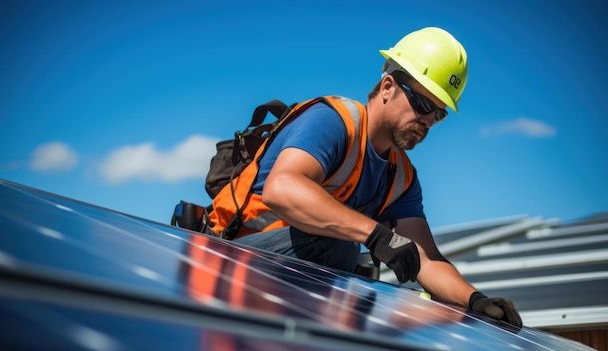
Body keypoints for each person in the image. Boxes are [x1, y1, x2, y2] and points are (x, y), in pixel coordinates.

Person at [208, 27, 523, 328]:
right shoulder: (333, 122)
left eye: (438, 113)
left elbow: (425, 259)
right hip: (226, 265)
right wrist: (375, 234)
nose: (428, 119)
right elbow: (282, 188)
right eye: (424, 103)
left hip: (286, 285)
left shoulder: (401, 178)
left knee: (375, 287)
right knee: (338, 243)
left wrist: (474, 300)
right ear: (387, 87)